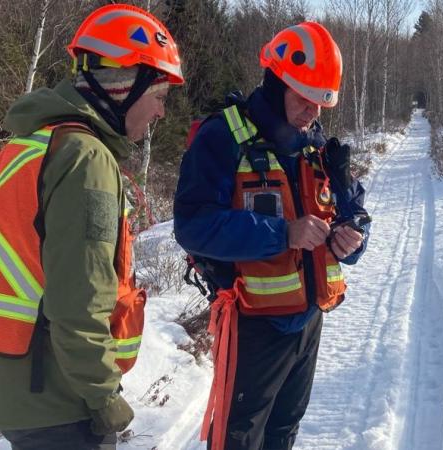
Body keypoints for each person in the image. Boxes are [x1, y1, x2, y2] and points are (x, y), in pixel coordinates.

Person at [0, 4, 183, 449]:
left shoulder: (28, 145)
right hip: (57, 396)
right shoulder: (86, 159)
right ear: (123, 87)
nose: (160, 113)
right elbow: (79, 299)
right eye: (158, 96)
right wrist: (103, 395)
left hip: (12, 379)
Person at [174, 22, 370, 450]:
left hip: (308, 320)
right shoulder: (223, 137)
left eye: (322, 102)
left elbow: (354, 208)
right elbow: (192, 225)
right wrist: (283, 234)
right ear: (277, 82)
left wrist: (352, 234)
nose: (313, 112)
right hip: (251, 324)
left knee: (284, 431)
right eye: (305, 98)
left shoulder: (316, 146)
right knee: (236, 436)